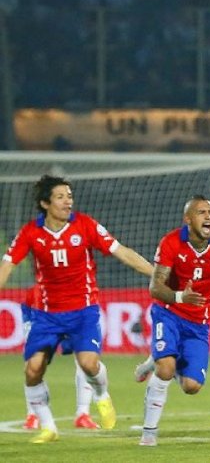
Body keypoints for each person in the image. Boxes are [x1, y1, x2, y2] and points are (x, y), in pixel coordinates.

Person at [0, 174, 154, 443]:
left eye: (69, 196)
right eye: (61, 197)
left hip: (83, 311)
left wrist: (155, 273)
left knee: (88, 363)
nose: (67, 201)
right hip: (47, 315)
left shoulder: (85, 225)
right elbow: (8, 266)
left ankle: (101, 395)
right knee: (32, 369)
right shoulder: (30, 233)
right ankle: (48, 427)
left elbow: (122, 252)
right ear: (45, 203)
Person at [132, 195, 210, 447]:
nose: (208, 217)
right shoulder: (171, 243)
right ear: (188, 219)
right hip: (168, 313)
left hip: (199, 324)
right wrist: (181, 296)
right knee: (166, 369)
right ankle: (149, 432)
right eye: (201, 212)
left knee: (192, 386)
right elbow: (155, 287)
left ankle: (157, 359)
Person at [21, 285, 98, 431]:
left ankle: (83, 414)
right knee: (34, 363)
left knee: (84, 359)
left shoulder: (77, 287)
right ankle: (33, 414)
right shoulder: (34, 292)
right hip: (43, 320)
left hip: (73, 313)